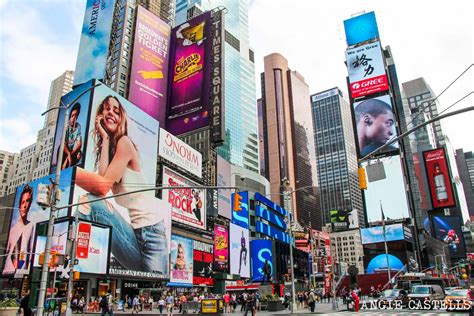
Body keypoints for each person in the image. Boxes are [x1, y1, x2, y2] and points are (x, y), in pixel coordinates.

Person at [75, 95, 169, 274]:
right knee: (89, 201)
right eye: (107, 108)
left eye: (116, 111)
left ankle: (79, 260)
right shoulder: (113, 149)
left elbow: (100, 187)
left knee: (155, 288)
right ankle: (77, 259)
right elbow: (100, 188)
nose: (111, 112)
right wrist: (105, 138)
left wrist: (71, 174)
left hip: (153, 234)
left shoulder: (125, 143)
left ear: (121, 119)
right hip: (135, 235)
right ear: (100, 114)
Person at [4, 185, 35, 274]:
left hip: (23, 273)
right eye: (22, 202)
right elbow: (6, 253)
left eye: (28, 201)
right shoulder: (12, 230)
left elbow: (31, 252)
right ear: (19, 206)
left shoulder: (31, 226)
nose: (25, 206)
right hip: (7, 272)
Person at [62, 102, 83, 169]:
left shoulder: (78, 126)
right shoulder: (66, 127)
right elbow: (63, 145)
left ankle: (71, 168)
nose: (74, 118)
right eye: (72, 116)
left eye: (76, 115)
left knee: (80, 154)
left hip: (72, 151)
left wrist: (70, 155)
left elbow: (79, 143)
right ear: (70, 116)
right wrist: (68, 154)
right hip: (64, 150)